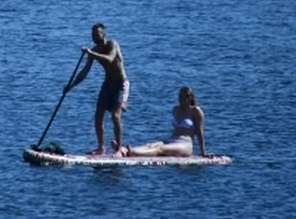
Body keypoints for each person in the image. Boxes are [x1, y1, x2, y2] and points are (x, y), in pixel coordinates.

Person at [63, 22, 129, 156]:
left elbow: (110, 59)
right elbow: (84, 72)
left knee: (115, 116)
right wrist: (71, 86)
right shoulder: (95, 50)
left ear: (104, 34)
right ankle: (101, 148)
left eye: (97, 34)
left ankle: (118, 149)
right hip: (108, 83)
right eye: (92, 34)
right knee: (98, 115)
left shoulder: (112, 44)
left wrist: (92, 53)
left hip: (120, 84)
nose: (94, 36)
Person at [115, 86, 207, 157]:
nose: (180, 99)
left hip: (185, 144)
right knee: (151, 145)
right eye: (179, 97)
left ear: (189, 98)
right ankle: (124, 150)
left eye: (183, 97)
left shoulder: (196, 111)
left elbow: (199, 132)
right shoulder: (176, 109)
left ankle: (133, 152)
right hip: (171, 140)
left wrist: (203, 152)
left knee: (160, 149)